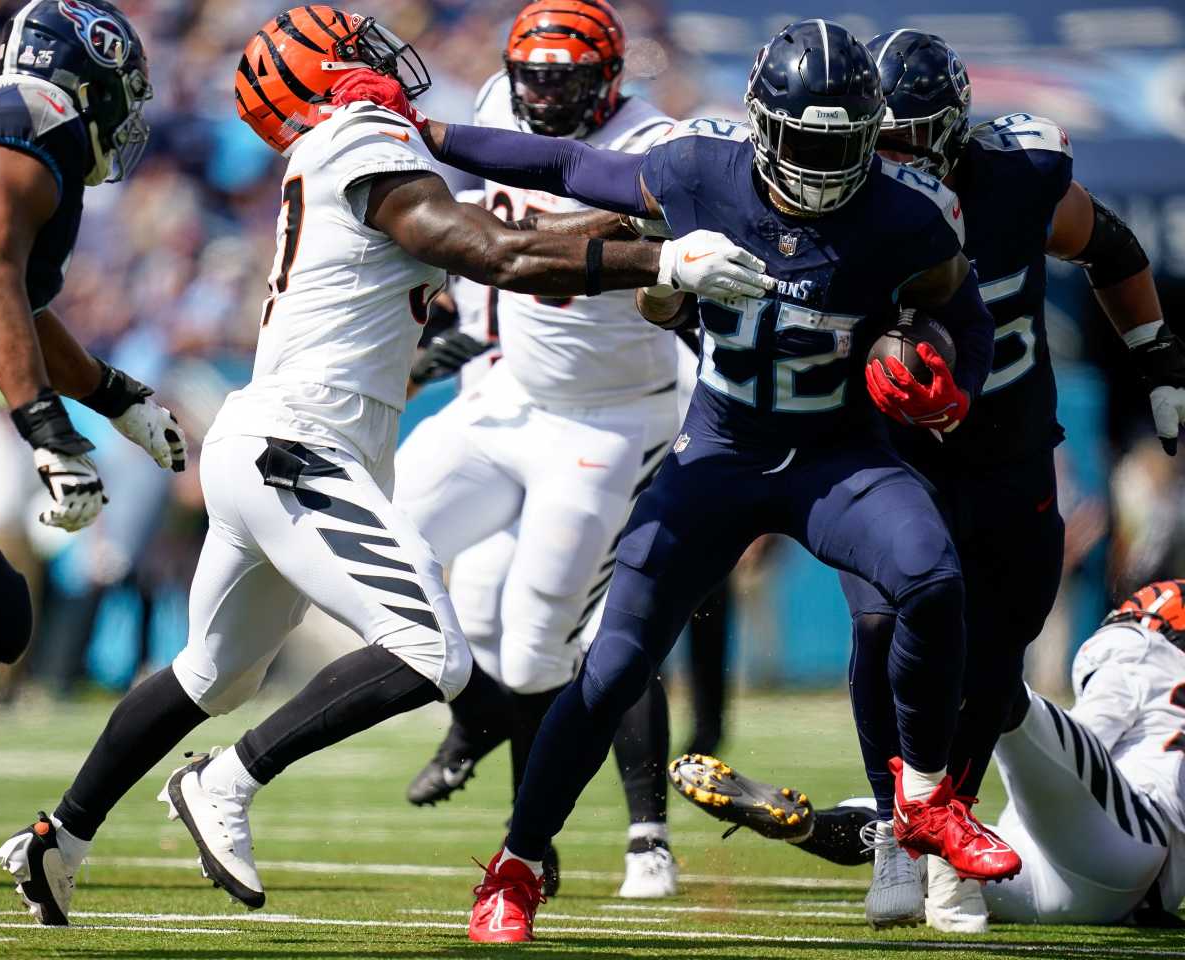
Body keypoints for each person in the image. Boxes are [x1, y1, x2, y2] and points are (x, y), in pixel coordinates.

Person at [0, 4, 771, 926]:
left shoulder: (331, 151)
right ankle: (228, 782)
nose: (379, 55)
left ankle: (58, 839)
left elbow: (523, 251)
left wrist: (645, 262)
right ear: (326, 77)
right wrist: (665, 262)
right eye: (353, 47)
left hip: (280, 440)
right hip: (301, 448)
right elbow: (496, 249)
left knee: (213, 672)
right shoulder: (361, 134)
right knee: (430, 651)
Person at [384, 16, 1031, 942]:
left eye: (843, 143)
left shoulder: (906, 215)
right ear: (763, 125)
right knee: (608, 669)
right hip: (719, 452)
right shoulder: (699, 170)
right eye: (806, 139)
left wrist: (950, 387)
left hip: (835, 455)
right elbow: (562, 170)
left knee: (929, 577)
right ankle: (516, 866)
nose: (823, 161)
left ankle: (924, 798)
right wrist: (424, 131)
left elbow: (963, 317)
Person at [838, 29, 1180, 928]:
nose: (897, 156)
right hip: (894, 453)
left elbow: (1109, 247)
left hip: (1007, 452)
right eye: (884, 138)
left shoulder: (1017, 179)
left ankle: (945, 827)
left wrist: (1156, 354)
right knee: (882, 625)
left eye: (914, 136)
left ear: (954, 128)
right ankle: (892, 828)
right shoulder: (841, 193)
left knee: (994, 663)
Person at [395, 0, 681, 899]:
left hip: (614, 416)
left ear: (612, 79)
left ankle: (591, 839)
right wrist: (463, 322)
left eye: (568, 80)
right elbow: (470, 221)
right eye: (536, 80)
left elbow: (618, 237)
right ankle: (474, 719)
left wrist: (521, 250)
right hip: (510, 390)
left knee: (542, 646)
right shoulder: (488, 100)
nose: (547, 99)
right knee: (387, 554)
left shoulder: (656, 141)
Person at [672, 580, 1185, 930]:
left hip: (1070, 856)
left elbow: (1093, 729)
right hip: (1125, 871)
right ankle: (833, 822)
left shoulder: (1138, 648)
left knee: (997, 693)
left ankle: (821, 821)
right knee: (993, 696)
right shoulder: (1150, 665)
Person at [0, 0, 187, 679]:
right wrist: (47, 432)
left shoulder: (26, 131)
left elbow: (20, 306)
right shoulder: (26, 125)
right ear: (87, 75)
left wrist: (115, 399)